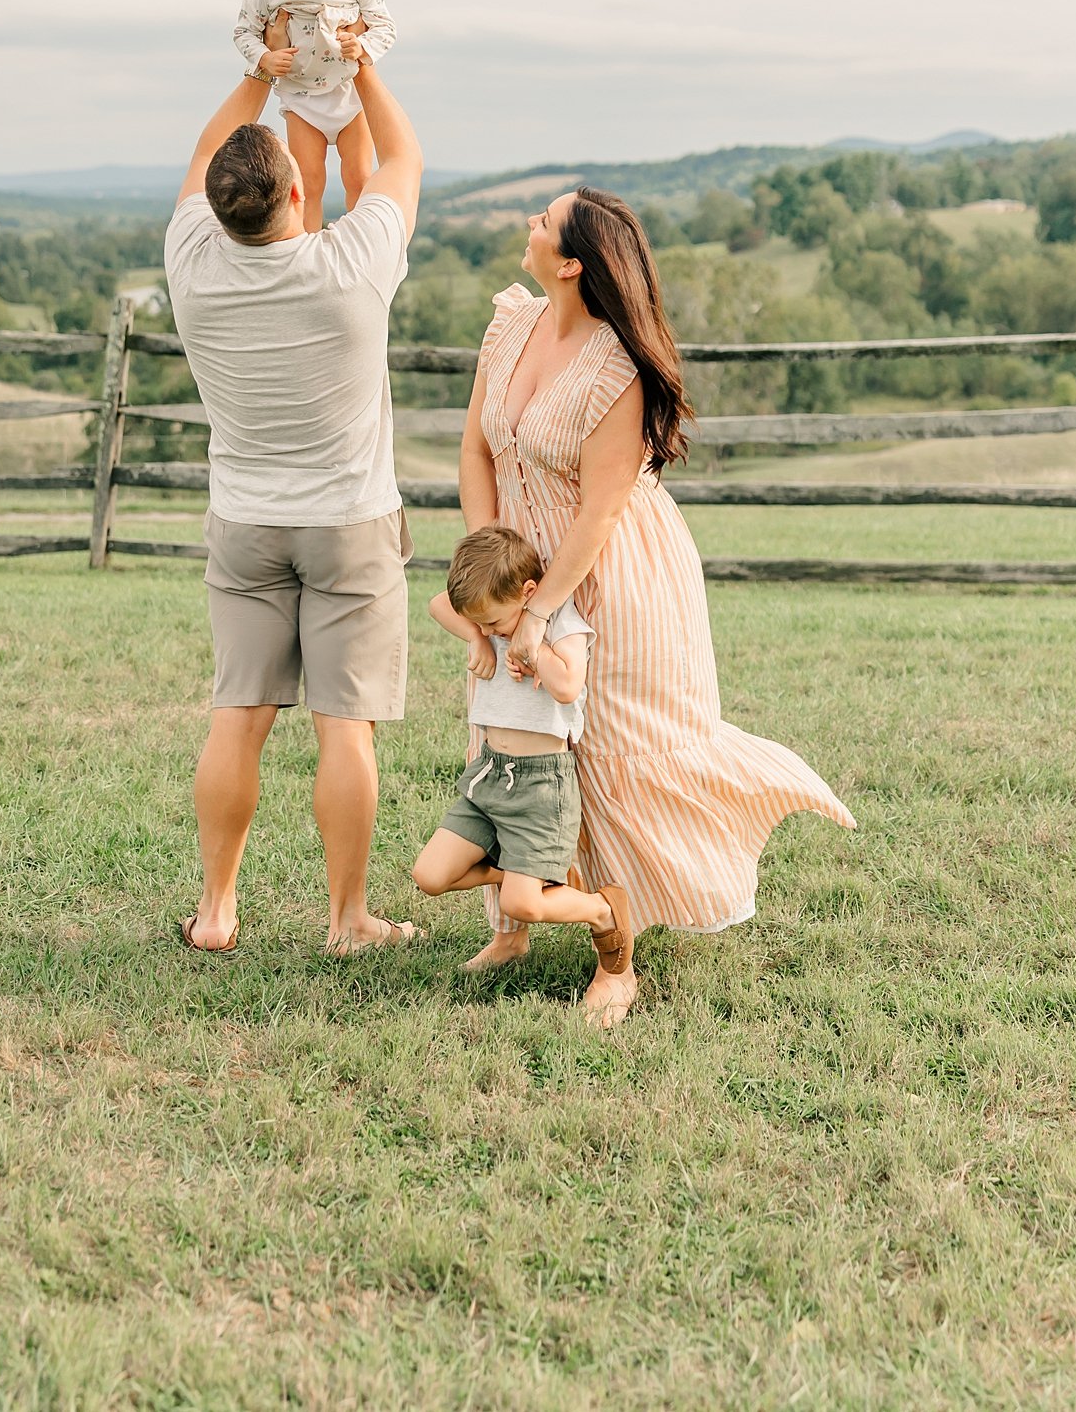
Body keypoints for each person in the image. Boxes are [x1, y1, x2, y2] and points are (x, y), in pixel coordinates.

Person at [458, 188, 855, 1028]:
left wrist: (538, 614)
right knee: (509, 738)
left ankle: (617, 960)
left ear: (571, 262)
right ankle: (514, 926)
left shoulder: (617, 370)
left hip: (611, 578)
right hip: (518, 572)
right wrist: (490, 581)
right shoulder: (510, 327)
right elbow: (476, 450)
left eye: (542, 220)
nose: (527, 224)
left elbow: (601, 512)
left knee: (604, 756)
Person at [164, 52, 422, 956]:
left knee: (238, 717)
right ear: (296, 199)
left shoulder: (191, 264)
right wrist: (358, 70)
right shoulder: (348, 268)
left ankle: (219, 912)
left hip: (245, 522)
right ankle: (349, 920)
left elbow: (205, 151)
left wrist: (261, 72)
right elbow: (399, 163)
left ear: (222, 209)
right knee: (342, 730)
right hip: (349, 523)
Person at [411, 524, 633, 989]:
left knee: (522, 905)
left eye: (493, 623)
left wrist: (534, 651)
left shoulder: (561, 624)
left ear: (529, 592)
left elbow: (570, 686)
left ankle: (602, 909)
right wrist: (477, 638)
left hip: (540, 786)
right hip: (489, 775)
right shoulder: (493, 618)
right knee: (430, 875)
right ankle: (514, 870)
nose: (490, 631)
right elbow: (437, 604)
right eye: (482, 625)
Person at [233, 0, 397, 234]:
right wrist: (264, 57)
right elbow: (243, 31)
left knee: (358, 176)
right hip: (301, 99)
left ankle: (360, 239)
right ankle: (306, 245)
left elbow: (385, 26)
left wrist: (363, 46)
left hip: (348, 94)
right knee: (308, 181)